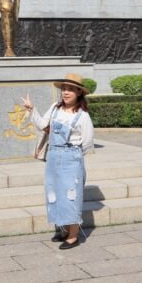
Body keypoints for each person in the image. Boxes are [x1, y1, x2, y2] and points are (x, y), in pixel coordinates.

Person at [22, 73, 94, 249]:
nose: (66, 92)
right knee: (54, 193)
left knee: (71, 196)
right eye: (64, 89)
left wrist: (71, 155)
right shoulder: (55, 108)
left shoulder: (83, 115)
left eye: (70, 89)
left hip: (72, 158)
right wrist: (32, 110)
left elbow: (87, 142)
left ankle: (73, 235)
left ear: (79, 92)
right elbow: (42, 125)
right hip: (53, 157)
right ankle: (62, 229)